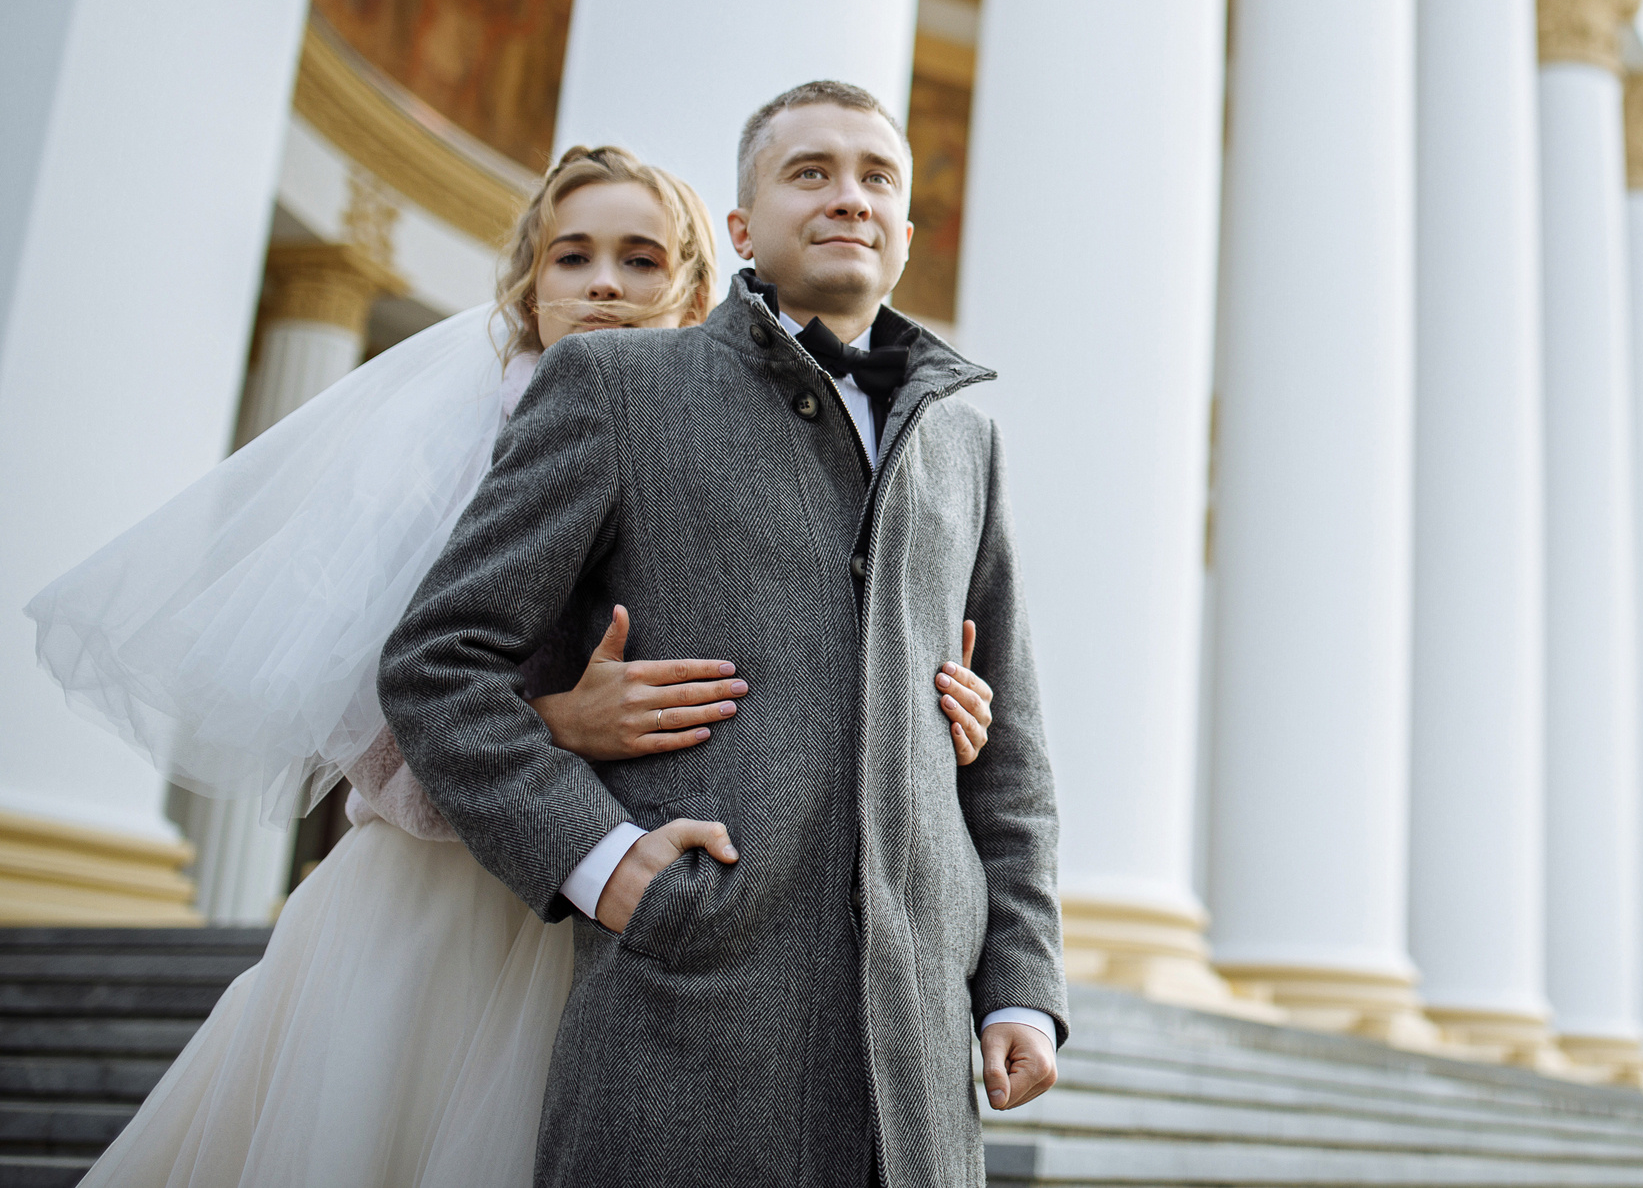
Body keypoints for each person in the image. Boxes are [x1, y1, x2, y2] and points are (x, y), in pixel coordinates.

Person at [34, 145, 1001, 1188]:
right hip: (445, 901)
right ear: (527, 286)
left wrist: (924, 697)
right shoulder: (452, 451)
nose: (601, 285)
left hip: (637, 921)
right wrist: (556, 723)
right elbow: (388, 702)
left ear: (689, 289)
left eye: (639, 260)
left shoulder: (714, 447)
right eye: (570, 257)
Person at [378, 81, 1067, 1188]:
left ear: (902, 231)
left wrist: (1021, 983)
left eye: (875, 176)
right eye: (809, 173)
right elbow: (436, 667)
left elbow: (1012, 754)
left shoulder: (967, 443)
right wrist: (606, 868)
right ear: (742, 231)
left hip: (919, 1055)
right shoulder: (616, 387)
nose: (847, 196)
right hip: (685, 1020)